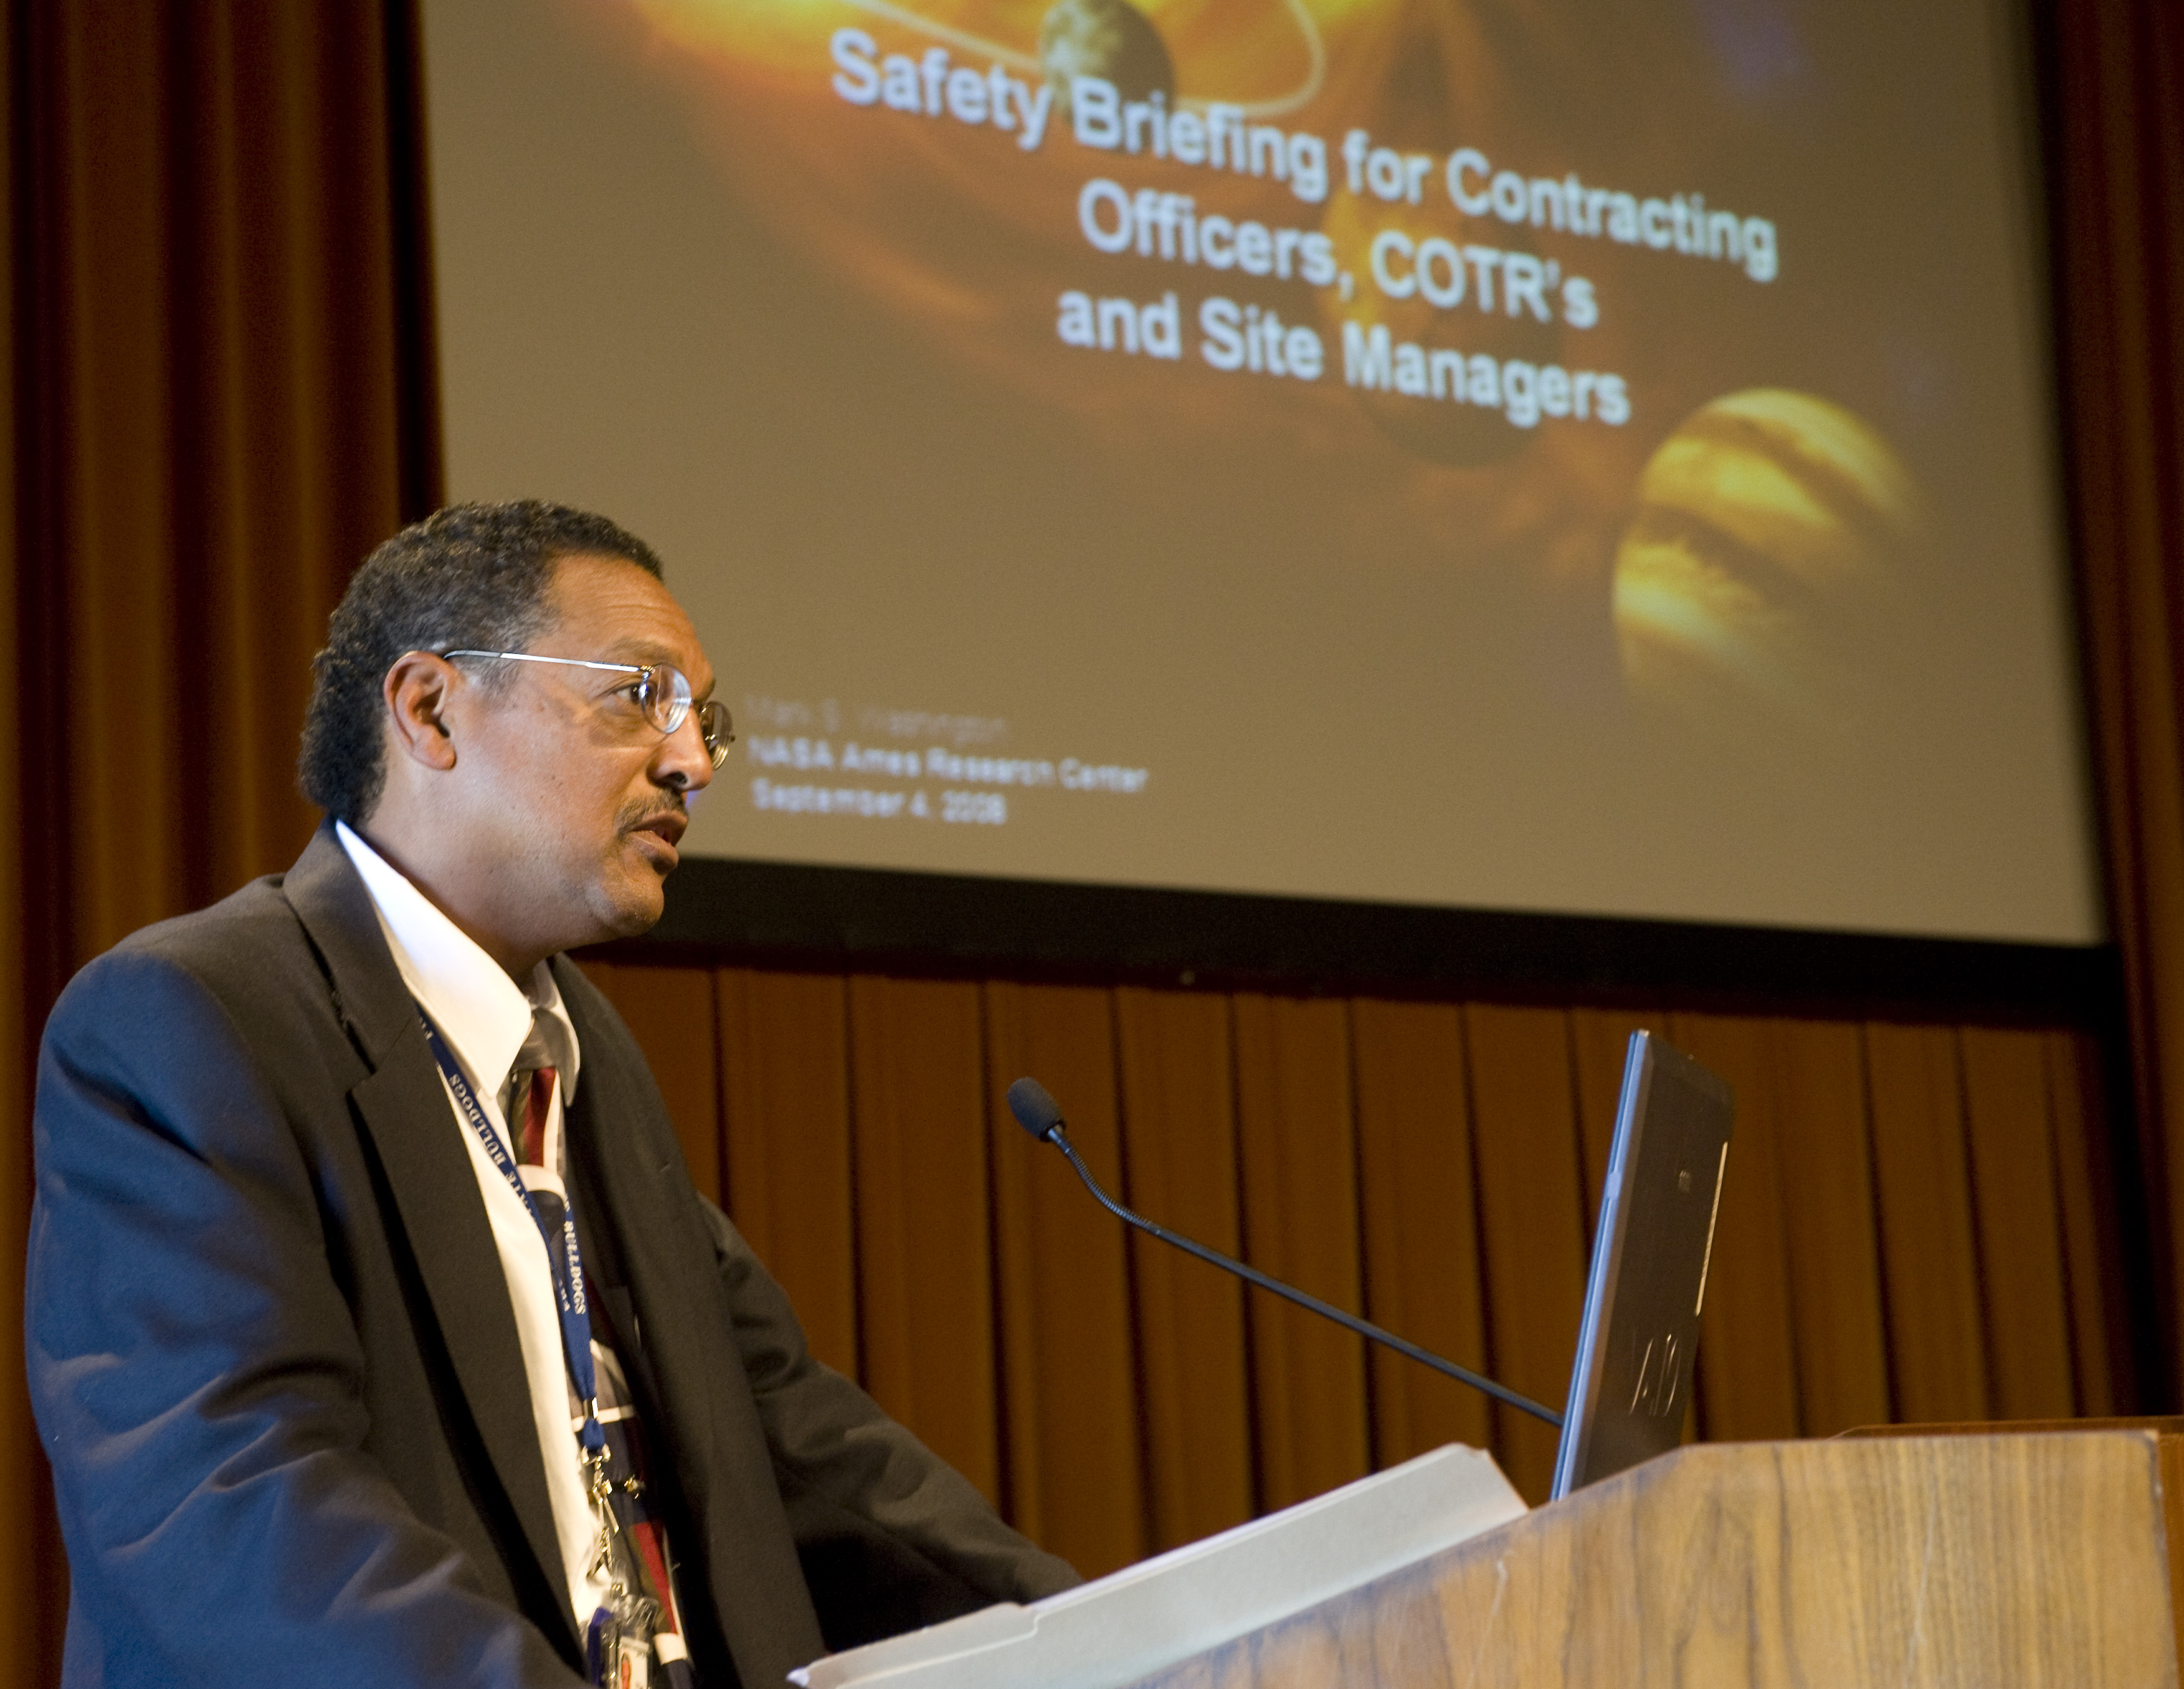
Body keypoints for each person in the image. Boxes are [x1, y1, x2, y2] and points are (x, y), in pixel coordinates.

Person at [25, 502, 1078, 1689]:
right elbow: (235, 1507)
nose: (693, 761)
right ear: (431, 710)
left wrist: (1128, 1639)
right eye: (639, 695)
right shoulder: (192, 1020)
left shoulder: (582, 1054)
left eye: (703, 718)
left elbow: (799, 1446)